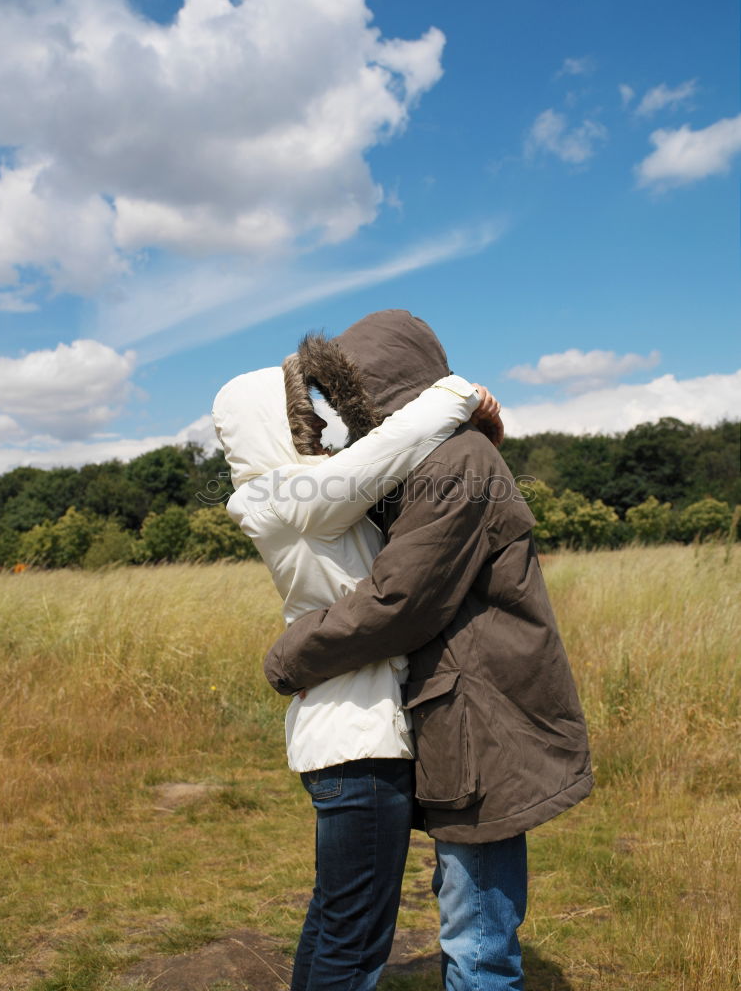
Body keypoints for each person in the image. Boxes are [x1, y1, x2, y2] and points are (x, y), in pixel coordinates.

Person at [264, 309, 594, 991]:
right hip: (467, 713)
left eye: (352, 400)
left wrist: (290, 657)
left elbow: (399, 601)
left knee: (476, 940)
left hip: (482, 718)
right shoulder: (443, 457)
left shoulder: (456, 461)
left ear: (380, 391)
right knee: (469, 916)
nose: (351, 423)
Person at [212, 357, 502, 991]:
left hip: (350, 739)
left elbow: (383, 466)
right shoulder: (278, 498)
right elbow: (381, 451)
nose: (317, 421)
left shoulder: (306, 496)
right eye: (301, 413)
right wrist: (457, 393)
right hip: (358, 745)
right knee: (357, 938)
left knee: (336, 921)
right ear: (269, 424)